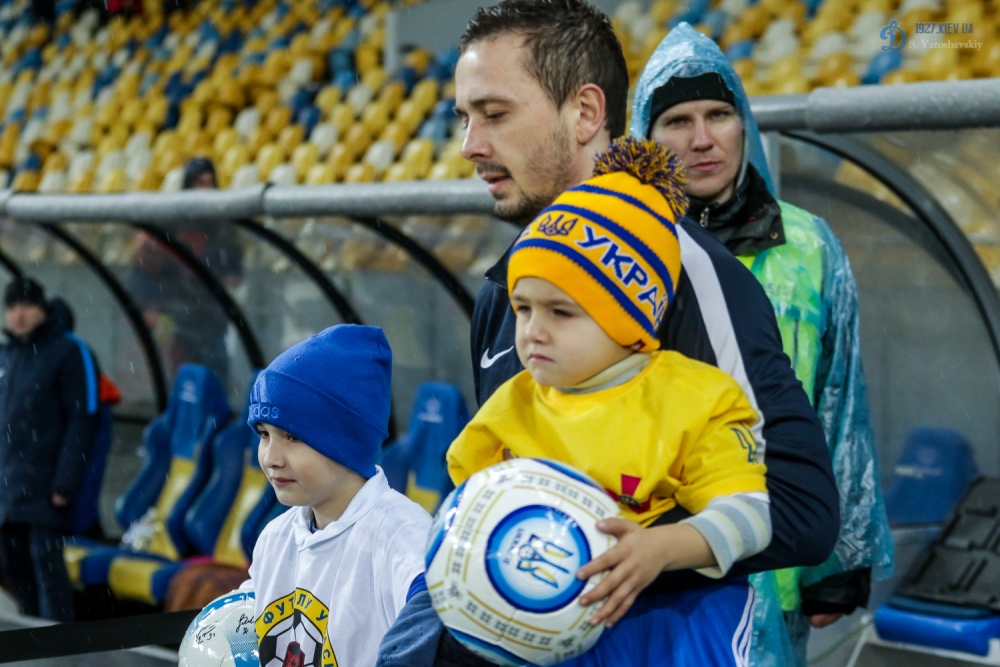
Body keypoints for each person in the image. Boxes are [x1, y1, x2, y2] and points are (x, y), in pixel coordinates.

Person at [377, 2, 836, 664]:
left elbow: (799, 508)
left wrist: (593, 554)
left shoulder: (689, 275)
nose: (470, 144)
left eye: (494, 114)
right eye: (464, 118)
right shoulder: (503, 290)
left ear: (587, 113)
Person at [444, 136, 769, 665]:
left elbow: (751, 515)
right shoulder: (508, 407)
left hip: (675, 622)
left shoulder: (695, 400)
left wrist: (662, 549)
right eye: (523, 308)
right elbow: (467, 513)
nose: (532, 331)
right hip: (549, 626)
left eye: (561, 312)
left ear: (630, 316)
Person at [630, 23, 894, 666]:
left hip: (778, 552)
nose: (702, 139)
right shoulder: (623, 250)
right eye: (677, 121)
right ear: (645, 138)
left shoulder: (810, 247)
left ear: (743, 122)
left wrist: (839, 559)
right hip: (656, 562)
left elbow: (838, 399)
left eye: (718, 114)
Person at [241, 324, 431, 667]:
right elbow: (237, 629)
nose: (271, 458)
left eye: (292, 437)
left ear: (347, 443)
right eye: (264, 434)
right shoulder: (275, 538)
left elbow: (440, 618)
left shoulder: (404, 537)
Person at [0, 276, 101, 621]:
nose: (19, 314)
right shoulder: (8, 355)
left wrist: (65, 482)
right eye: (12, 307)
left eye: (27, 305)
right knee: (15, 568)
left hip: (45, 485)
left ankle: (58, 641)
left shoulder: (68, 351)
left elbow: (83, 419)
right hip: (9, 487)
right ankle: (32, 638)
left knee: (48, 568)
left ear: (42, 308)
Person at [128, 156, 244, 387]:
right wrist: (148, 308)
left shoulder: (223, 228)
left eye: (210, 182)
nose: (206, 189)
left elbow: (234, 271)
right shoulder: (170, 224)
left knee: (215, 379)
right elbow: (142, 272)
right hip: (176, 318)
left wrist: (228, 280)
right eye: (199, 182)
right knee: (182, 381)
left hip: (212, 319)